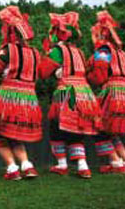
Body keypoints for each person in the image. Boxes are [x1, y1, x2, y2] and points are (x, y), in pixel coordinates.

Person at [40, 12, 101, 179]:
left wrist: (47, 57)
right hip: (85, 93)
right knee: (76, 129)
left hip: (66, 92)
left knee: (56, 127)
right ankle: (83, 166)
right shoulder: (79, 52)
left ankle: (62, 164)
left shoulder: (58, 51)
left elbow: (43, 72)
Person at [0, 6, 41, 180]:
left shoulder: (7, 50)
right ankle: (27, 165)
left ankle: (12, 168)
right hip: (29, 99)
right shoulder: (35, 53)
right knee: (15, 133)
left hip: (9, 96)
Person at [86, 10, 125, 173]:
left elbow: (99, 76)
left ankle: (115, 161)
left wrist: (87, 76)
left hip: (113, 91)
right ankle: (121, 160)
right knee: (111, 130)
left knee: (98, 127)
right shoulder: (121, 52)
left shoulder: (103, 50)